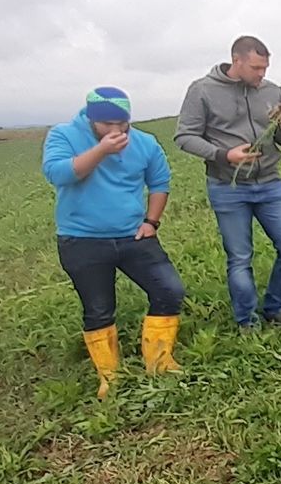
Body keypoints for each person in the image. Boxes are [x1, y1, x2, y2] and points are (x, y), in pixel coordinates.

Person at [41, 87, 186, 399]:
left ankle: (159, 362)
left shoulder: (145, 142)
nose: (117, 130)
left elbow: (159, 182)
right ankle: (110, 376)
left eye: (123, 123)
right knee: (98, 308)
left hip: (133, 235)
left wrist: (151, 222)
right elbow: (58, 174)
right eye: (107, 124)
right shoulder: (64, 135)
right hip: (82, 239)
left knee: (169, 290)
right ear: (91, 119)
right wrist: (100, 151)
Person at [175, 36, 281, 330]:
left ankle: (275, 306)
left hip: (270, 182)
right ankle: (247, 322)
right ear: (237, 61)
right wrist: (224, 155)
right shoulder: (203, 90)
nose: (262, 74)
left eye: (265, 67)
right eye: (256, 67)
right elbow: (184, 137)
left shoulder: (271, 91)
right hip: (228, 187)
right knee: (240, 257)